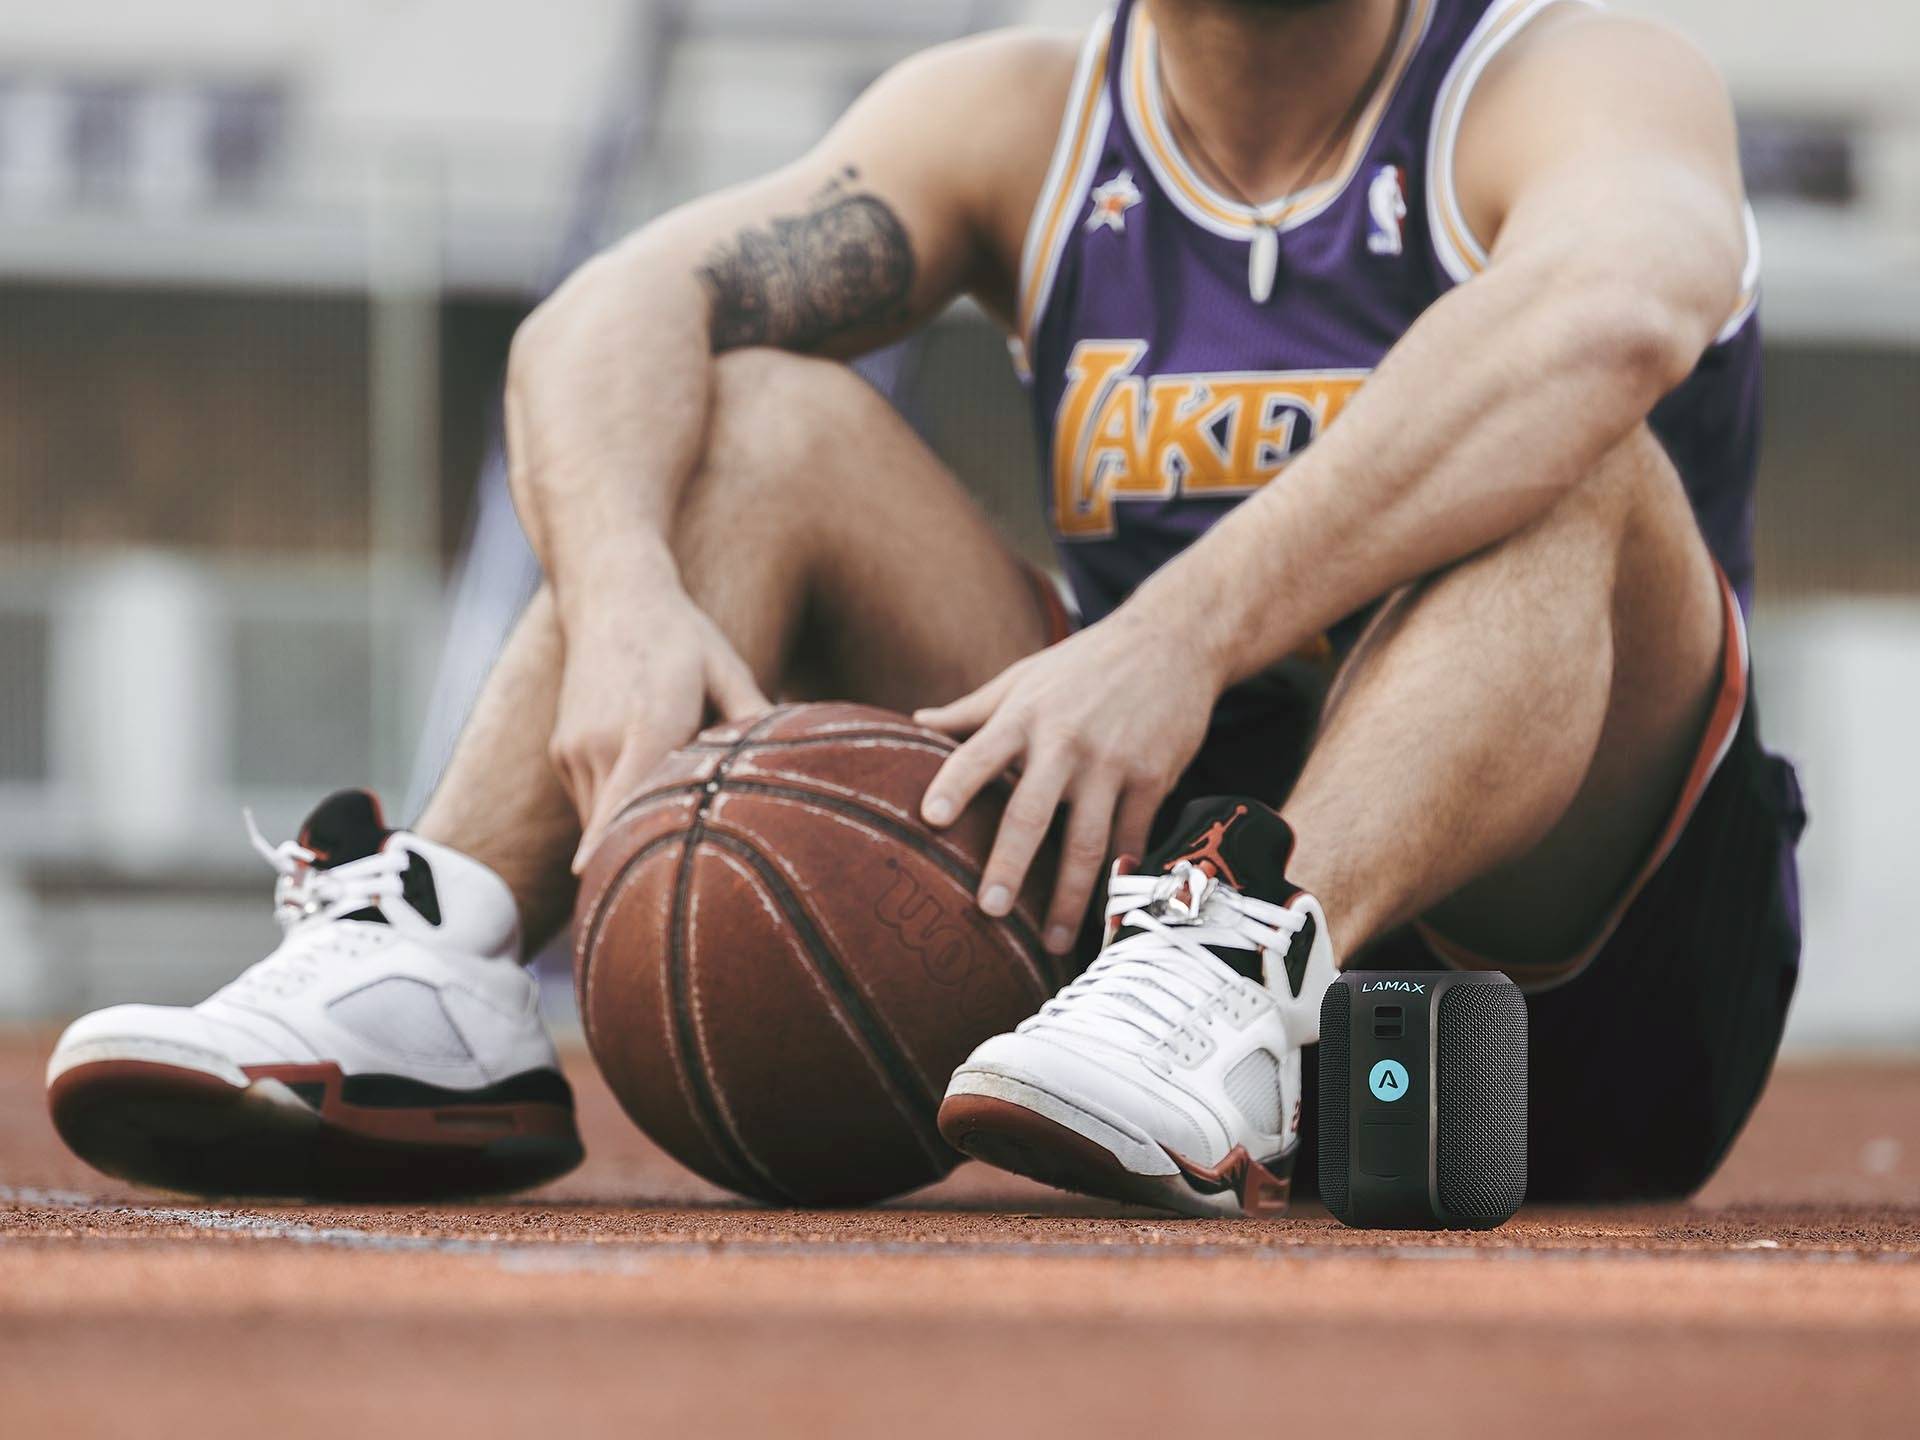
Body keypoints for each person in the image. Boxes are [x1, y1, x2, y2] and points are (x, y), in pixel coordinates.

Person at [47, 0, 1804, 1212]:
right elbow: (608, 316)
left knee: (1576, 449)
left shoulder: (1565, 73)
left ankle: (1245, 958)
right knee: (753, 421)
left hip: (1589, 944)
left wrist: (1174, 632)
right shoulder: (1024, 120)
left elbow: (1615, 311)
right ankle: (438, 963)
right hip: (1143, 916)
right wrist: (631, 598)